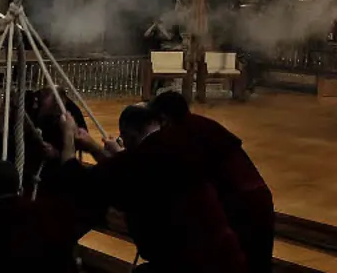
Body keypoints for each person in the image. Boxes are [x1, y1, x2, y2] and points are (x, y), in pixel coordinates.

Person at [99, 104, 247, 272]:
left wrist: (93, 148)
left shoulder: (150, 157)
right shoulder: (178, 143)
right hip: (225, 253)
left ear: (129, 135)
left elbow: (129, 178)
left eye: (123, 138)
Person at [150, 91, 275, 273]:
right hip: (259, 197)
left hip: (239, 204)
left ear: (164, 119)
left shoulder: (180, 134)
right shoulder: (204, 125)